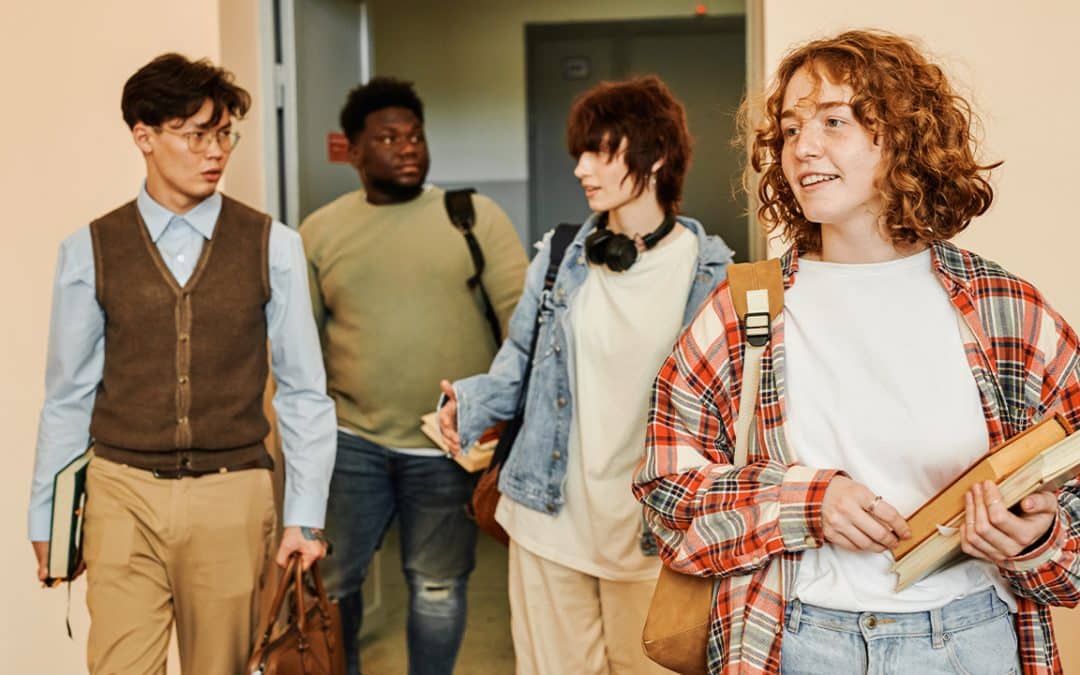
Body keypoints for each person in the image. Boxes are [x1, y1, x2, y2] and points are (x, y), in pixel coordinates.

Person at [634, 29, 1080, 674]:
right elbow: (666, 498)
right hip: (798, 641)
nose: (802, 148)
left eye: (833, 121)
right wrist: (803, 504)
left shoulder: (1005, 309)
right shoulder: (744, 308)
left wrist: (1038, 537)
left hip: (974, 642)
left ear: (904, 137)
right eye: (789, 129)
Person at [27, 53, 336, 674]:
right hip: (122, 494)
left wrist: (305, 516)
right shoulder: (90, 250)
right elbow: (68, 394)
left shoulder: (273, 246)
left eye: (223, 134)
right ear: (144, 137)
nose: (214, 151)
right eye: (195, 134)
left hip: (233, 495)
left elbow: (304, 392)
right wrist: (47, 516)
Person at [439, 75, 733, 675]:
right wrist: (467, 407)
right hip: (548, 520)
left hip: (652, 530)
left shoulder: (713, 274)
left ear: (655, 156)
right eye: (580, 151)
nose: (581, 167)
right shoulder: (560, 255)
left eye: (601, 150)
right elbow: (517, 362)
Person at [301, 76, 528, 675]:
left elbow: (526, 333)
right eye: (387, 137)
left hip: (446, 446)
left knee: (436, 588)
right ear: (353, 151)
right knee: (336, 584)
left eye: (415, 135)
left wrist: (499, 421)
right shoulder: (320, 232)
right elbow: (300, 347)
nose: (407, 147)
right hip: (352, 442)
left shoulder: (473, 217)